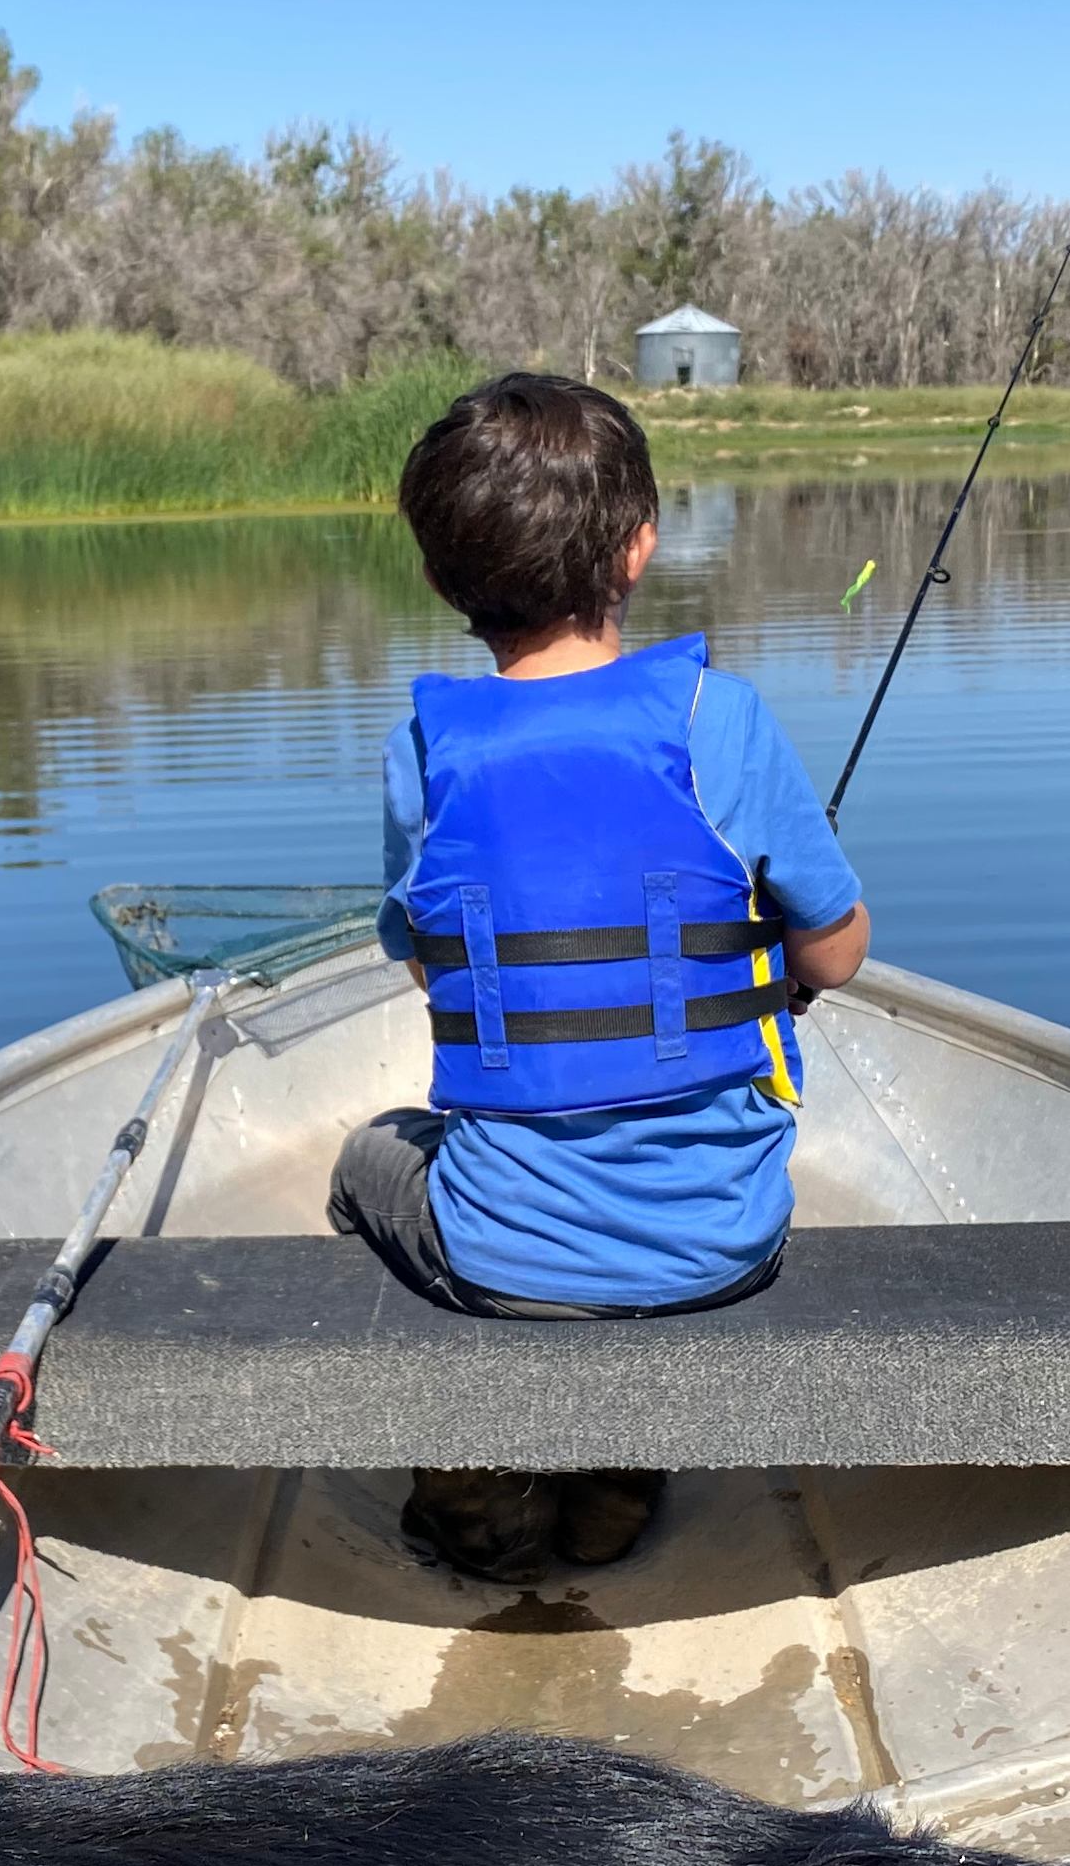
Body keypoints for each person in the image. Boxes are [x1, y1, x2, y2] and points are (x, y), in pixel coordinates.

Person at [329, 372, 869, 1581]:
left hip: (499, 1256)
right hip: (725, 1244)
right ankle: (620, 1477)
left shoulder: (423, 751)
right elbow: (835, 953)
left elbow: (430, 970)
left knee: (367, 1161)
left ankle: (477, 1488)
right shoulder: (722, 720)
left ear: (441, 579)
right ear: (639, 547)